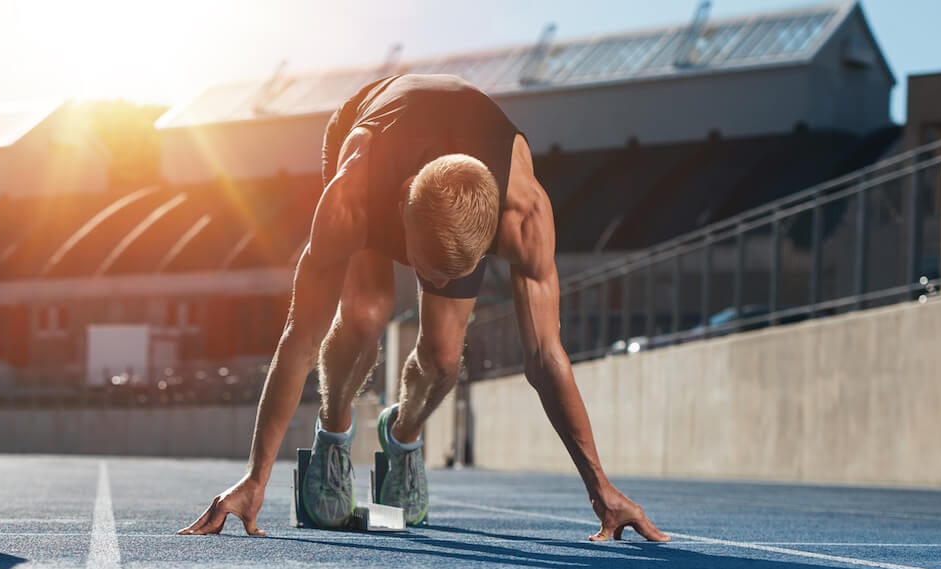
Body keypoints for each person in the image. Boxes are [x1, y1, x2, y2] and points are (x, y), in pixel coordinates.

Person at [180, 74, 665, 542]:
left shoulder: (525, 215)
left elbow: (545, 356)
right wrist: (255, 477)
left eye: (447, 276)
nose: (430, 284)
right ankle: (333, 431)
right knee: (366, 315)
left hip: (458, 170)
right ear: (403, 210)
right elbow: (301, 337)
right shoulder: (352, 197)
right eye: (422, 267)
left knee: (443, 358)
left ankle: (403, 434)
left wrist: (600, 488)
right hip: (371, 134)